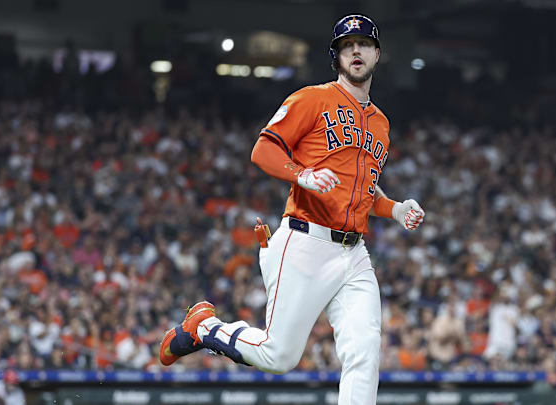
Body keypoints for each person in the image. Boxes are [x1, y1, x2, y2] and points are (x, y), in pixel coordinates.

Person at [159, 14, 425, 404]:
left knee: (365, 352)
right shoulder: (312, 98)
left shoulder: (381, 123)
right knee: (278, 355)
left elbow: (362, 193)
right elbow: (262, 150)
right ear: (335, 57)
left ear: (377, 54)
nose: (356, 50)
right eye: (347, 45)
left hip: (354, 254)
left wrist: (396, 209)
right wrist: (301, 175)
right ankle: (207, 329)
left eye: (363, 44)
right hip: (305, 241)